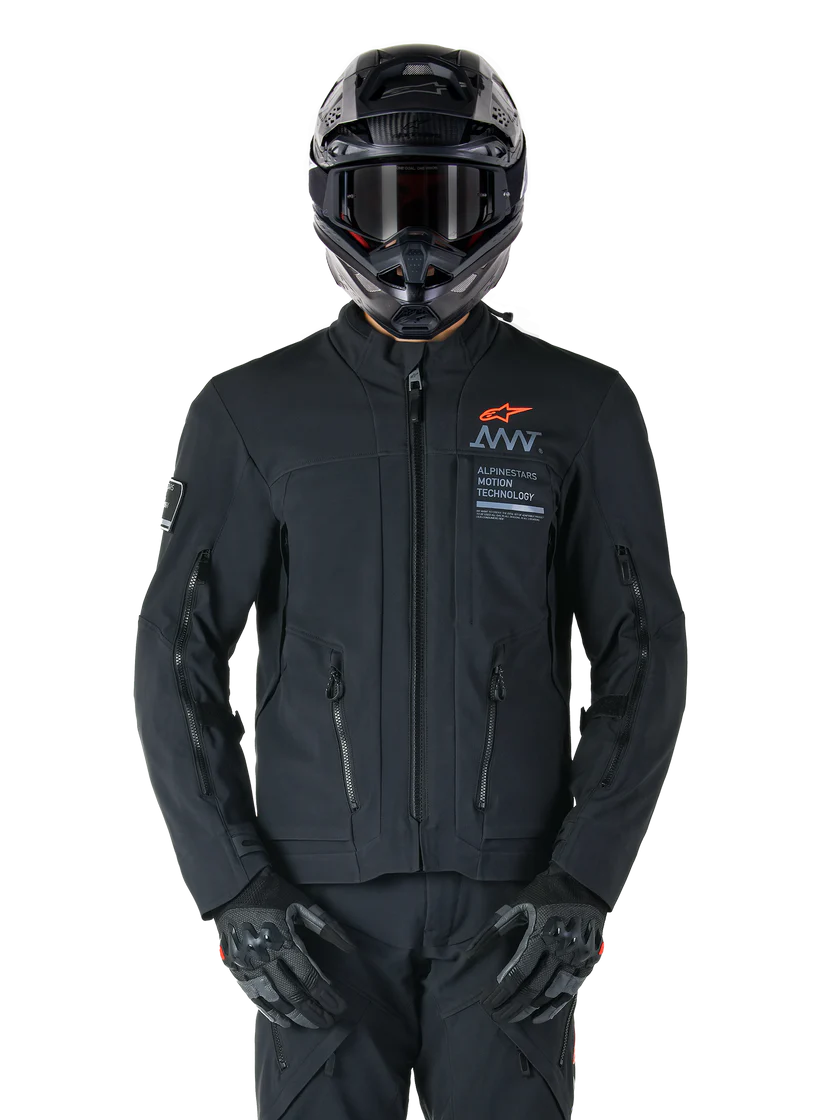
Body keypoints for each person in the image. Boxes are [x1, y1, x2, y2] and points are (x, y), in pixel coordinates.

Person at [133, 42, 688, 1119]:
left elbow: (644, 648)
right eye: (385, 202)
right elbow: (173, 646)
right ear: (330, 203)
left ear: (504, 201)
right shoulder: (252, 412)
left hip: (515, 914)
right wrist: (233, 886)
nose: (415, 239)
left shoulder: (581, 408)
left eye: (446, 200)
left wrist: (586, 874)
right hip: (313, 922)